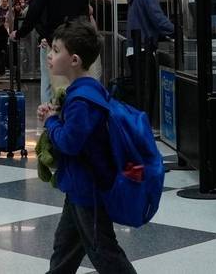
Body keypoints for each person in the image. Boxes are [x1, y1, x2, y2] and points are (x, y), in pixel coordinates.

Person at [37, 20, 135, 274]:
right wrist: (57, 116)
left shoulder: (82, 99)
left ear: (75, 60)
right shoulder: (85, 91)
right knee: (65, 248)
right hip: (79, 184)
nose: (50, 55)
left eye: (56, 50)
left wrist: (51, 123)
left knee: (103, 250)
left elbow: (70, 143)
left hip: (88, 186)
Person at [16, 0, 95, 104]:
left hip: (54, 41)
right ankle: (75, 115)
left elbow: (35, 11)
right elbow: (85, 5)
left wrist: (20, 33)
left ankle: (50, 120)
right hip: (79, 40)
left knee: (49, 82)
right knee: (79, 81)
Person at [125, 0, 174, 119]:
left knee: (140, 90)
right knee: (148, 90)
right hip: (143, 50)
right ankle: (145, 125)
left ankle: (139, 123)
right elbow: (159, 20)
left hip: (134, 49)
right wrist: (176, 30)